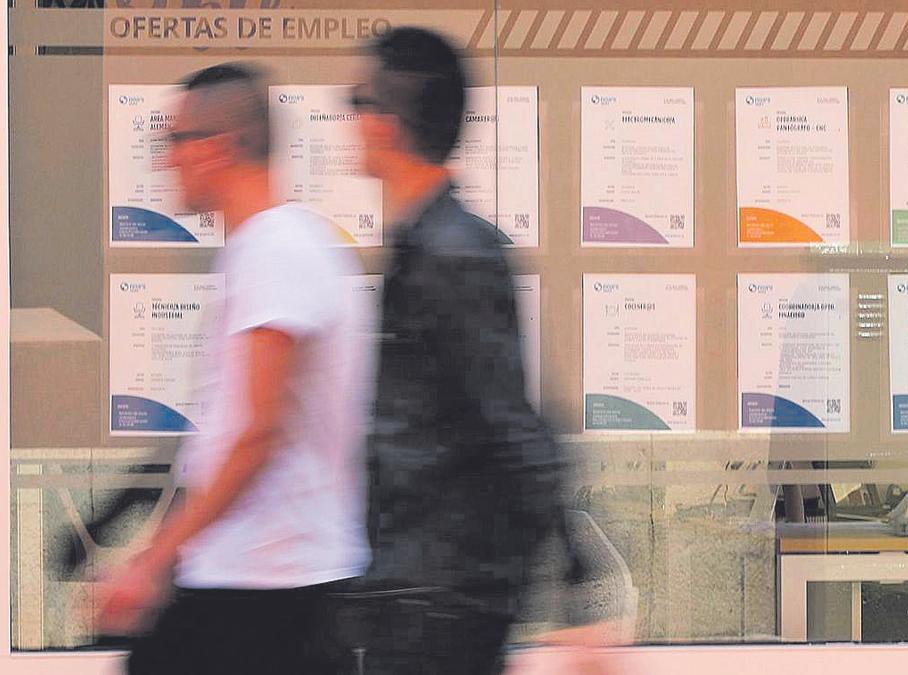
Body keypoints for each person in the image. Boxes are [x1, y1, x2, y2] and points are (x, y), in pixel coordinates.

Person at [95, 63, 374, 675]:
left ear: (219, 148)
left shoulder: (275, 250)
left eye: (174, 142)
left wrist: (151, 562)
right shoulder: (284, 245)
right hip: (262, 579)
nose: (166, 161)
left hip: (262, 586)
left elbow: (258, 434)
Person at [341, 27, 564, 674]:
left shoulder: (454, 252)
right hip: (412, 592)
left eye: (357, 100)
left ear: (386, 123)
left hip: (441, 606)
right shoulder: (421, 246)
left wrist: (583, 594)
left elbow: (515, 426)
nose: (349, 120)